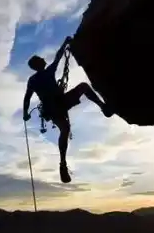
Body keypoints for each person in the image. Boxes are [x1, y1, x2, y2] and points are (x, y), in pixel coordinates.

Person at [22, 36, 114, 183]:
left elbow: (27, 98)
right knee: (83, 87)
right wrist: (65, 42)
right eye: (41, 59)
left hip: (52, 108)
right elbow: (58, 56)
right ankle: (103, 107)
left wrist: (25, 114)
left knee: (64, 129)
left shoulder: (32, 80)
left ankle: (63, 164)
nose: (44, 59)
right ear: (39, 64)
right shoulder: (47, 72)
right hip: (59, 103)